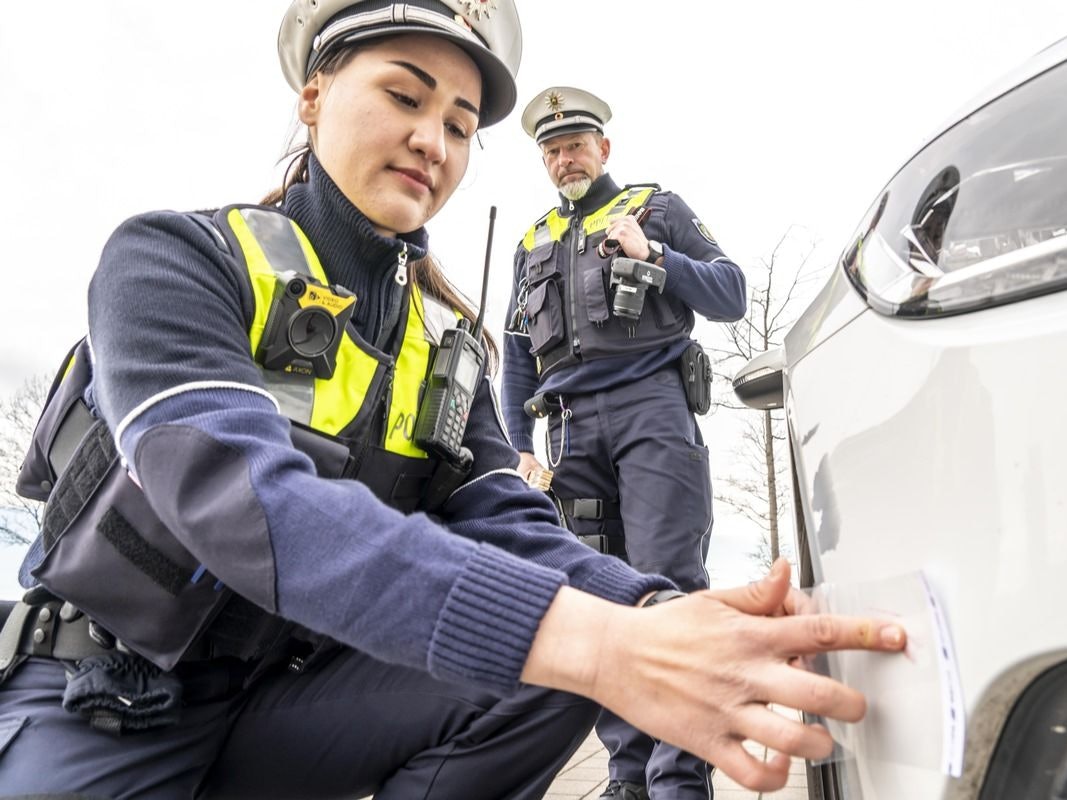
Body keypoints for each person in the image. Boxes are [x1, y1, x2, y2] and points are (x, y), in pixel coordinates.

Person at [0, 3, 905, 798]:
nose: (434, 140)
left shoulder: (446, 341)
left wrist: (655, 617)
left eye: (461, 124)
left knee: (553, 674)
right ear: (313, 95)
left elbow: (514, 524)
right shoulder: (174, 259)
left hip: (279, 699)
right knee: (569, 649)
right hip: (107, 688)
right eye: (404, 96)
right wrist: (595, 641)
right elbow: (238, 498)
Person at [501, 86, 748, 800]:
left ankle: (678, 783)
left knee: (667, 587)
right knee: (601, 603)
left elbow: (728, 292)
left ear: (602, 148)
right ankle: (627, 778)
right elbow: (517, 351)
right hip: (567, 426)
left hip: (651, 411)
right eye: (550, 150)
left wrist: (658, 256)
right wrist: (519, 444)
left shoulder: (654, 206)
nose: (562, 158)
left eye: (574, 144)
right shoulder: (532, 240)